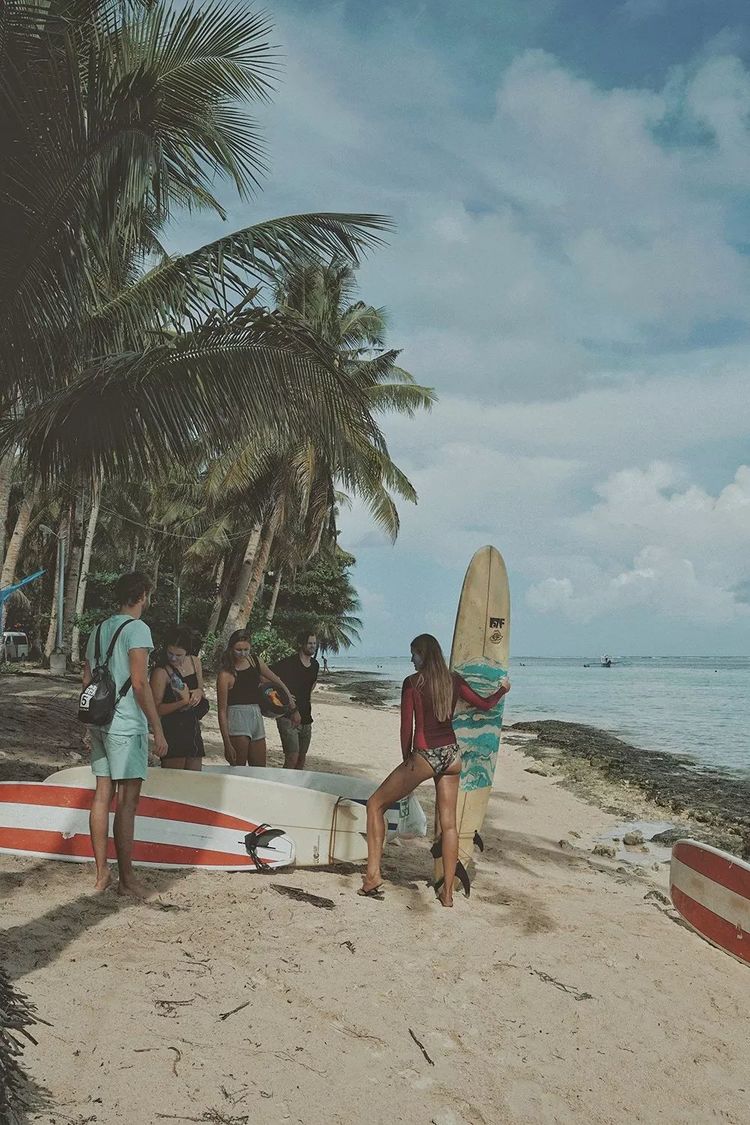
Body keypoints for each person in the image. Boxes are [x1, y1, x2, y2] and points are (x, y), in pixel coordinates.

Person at [360, 633, 510, 908]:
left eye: (414, 654)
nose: (411, 659)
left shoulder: (412, 683)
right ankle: (448, 895)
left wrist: (408, 761)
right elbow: (485, 704)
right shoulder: (454, 681)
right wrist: (503, 690)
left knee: (374, 804)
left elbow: (407, 727)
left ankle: (372, 876)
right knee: (449, 824)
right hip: (452, 755)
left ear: (423, 654)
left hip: (425, 755)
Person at [81, 571, 168, 898]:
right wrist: (156, 726)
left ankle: (102, 873)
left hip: (101, 722)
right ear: (143, 595)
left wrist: (88, 724)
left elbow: (87, 679)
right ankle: (127, 880)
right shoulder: (138, 630)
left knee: (101, 796)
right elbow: (140, 682)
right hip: (127, 724)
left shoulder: (98, 630)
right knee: (127, 803)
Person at [217, 630, 295, 767]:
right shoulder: (225, 674)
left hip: (256, 715)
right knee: (238, 769)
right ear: (231, 649)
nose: (243, 653)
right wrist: (226, 743)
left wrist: (288, 695)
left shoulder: (254, 661)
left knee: (260, 769)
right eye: (238, 650)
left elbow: (275, 678)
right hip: (237, 717)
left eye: (246, 649)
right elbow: (222, 711)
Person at [150, 626, 206, 771]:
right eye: (170, 653)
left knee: (195, 779)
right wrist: (182, 702)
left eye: (179, 655)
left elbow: (201, 689)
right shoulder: (161, 672)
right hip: (172, 728)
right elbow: (156, 709)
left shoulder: (195, 662)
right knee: (174, 779)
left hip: (192, 726)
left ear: (187, 652)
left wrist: (199, 692)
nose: (173, 658)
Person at [270, 631, 320, 769]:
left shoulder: (315, 665)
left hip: (306, 716)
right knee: (292, 758)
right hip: (287, 716)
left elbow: (313, 683)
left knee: (301, 760)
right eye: (310, 643)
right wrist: (279, 697)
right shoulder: (288, 663)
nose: (312, 646)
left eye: (314, 643)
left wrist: (307, 697)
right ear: (301, 644)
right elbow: (266, 677)